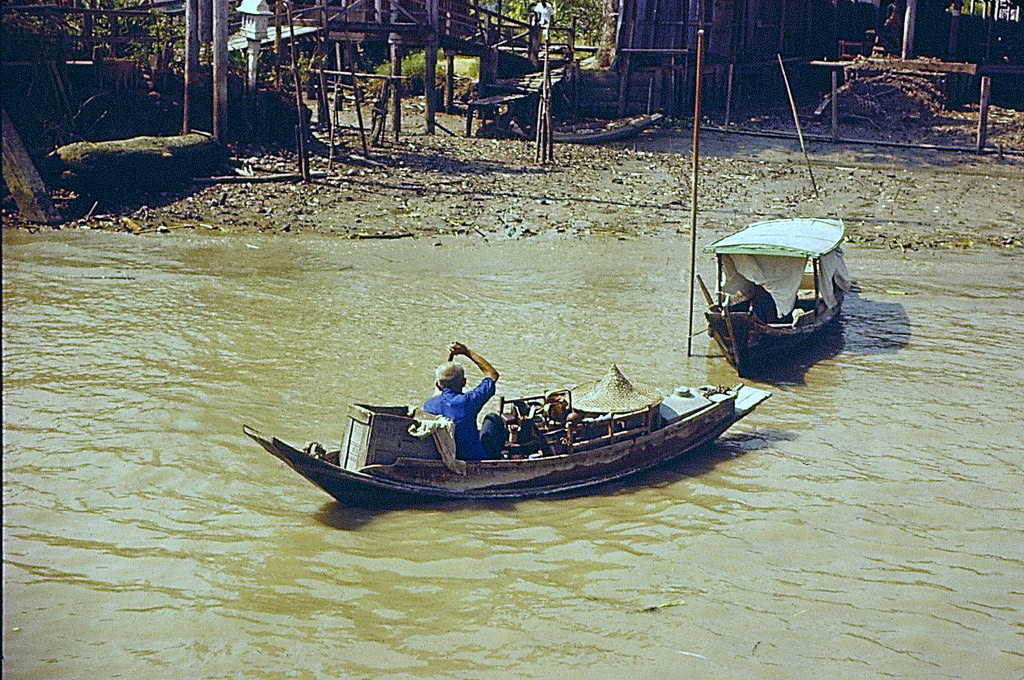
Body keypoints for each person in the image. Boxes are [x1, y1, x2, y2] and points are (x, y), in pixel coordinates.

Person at [423, 342, 506, 461]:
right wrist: (466, 352)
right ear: (464, 382)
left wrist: (450, 357)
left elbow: (440, 386)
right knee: (493, 418)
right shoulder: (468, 401)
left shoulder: (429, 404)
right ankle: (497, 458)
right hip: (472, 457)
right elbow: (492, 374)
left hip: (447, 455)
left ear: (438, 384)